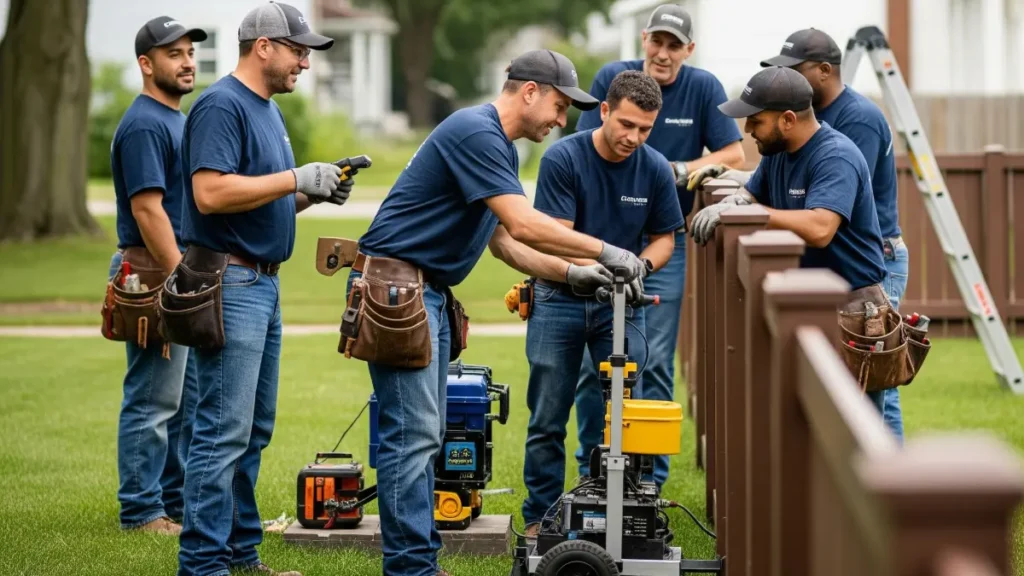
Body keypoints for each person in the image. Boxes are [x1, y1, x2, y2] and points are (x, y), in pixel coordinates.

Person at [352, 49, 648, 576]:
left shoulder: (499, 148)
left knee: (425, 432)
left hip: (425, 291)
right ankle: (410, 567)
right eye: (559, 106)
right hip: (398, 288)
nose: (562, 120)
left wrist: (569, 273)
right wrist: (604, 252)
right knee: (412, 434)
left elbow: (504, 242)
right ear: (529, 91)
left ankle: (417, 561)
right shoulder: (477, 131)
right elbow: (525, 222)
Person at [175, 3, 346, 575]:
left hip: (261, 285)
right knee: (222, 431)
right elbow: (211, 195)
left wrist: (312, 191)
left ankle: (241, 557)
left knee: (252, 431)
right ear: (264, 46)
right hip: (230, 282)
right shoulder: (221, 106)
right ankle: (202, 565)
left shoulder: (267, 110)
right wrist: (297, 177)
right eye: (298, 50)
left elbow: (259, 194)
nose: (304, 61)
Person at [572, 3, 745, 488]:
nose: (663, 54)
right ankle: (593, 469)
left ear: (689, 50)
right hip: (602, 241)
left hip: (664, 242)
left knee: (652, 357)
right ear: (643, 38)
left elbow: (734, 153)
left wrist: (679, 171)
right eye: (657, 42)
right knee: (595, 366)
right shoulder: (613, 76)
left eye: (675, 46)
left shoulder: (703, 87)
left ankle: (650, 479)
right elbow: (587, 154)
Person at [516, 69, 684, 537]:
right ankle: (541, 518)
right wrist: (605, 262)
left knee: (624, 413)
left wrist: (639, 269)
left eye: (645, 129)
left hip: (621, 302)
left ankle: (620, 512)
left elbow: (664, 240)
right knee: (549, 413)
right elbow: (557, 238)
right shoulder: (563, 158)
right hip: (560, 297)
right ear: (604, 111)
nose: (633, 137)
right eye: (626, 124)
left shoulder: (653, 167)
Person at [689, 65, 890, 414]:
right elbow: (754, 194)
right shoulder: (778, 154)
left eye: (755, 120)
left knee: (854, 428)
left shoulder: (835, 155)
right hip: (810, 303)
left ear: (786, 120)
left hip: (854, 309)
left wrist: (748, 215)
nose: (747, 129)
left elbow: (820, 228)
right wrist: (738, 201)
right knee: (803, 423)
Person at [759, 28, 906, 441]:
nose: (786, 79)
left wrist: (760, 213)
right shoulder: (807, 126)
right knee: (859, 386)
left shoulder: (854, 121)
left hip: (873, 259)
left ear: (824, 71)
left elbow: (827, 210)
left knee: (876, 385)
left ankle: (889, 483)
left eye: (794, 70)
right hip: (839, 262)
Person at [106, 15, 206, 537]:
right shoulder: (146, 122)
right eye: (174, 54)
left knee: (185, 401)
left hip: (170, 266)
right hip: (152, 270)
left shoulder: (175, 119)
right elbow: (148, 211)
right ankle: (141, 512)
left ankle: (174, 505)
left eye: (189, 52)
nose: (187, 61)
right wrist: (183, 279)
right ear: (146, 64)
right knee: (152, 397)